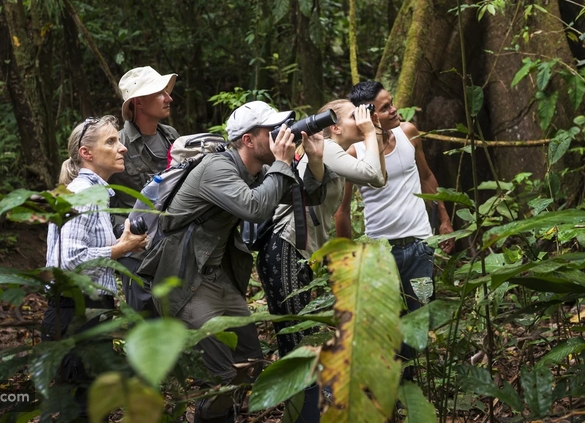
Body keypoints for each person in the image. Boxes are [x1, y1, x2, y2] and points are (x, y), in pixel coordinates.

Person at [140, 101, 331, 423]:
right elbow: (255, 209)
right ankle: (206, 415)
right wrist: (284, 163)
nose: (278, 137)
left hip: (218, 279)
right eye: (270, 132)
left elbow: (310, 196)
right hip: (185, 279)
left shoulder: (256, 172)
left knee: (250, 362)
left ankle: (215, 414)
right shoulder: (216, 168)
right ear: (247, 140)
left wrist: (314, 158)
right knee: (223, 375)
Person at [256, 99, 387, 423]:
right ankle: (306, 415)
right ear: (334, 126)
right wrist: (370, 129)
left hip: (301, 252)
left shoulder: (333, 153)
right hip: (285, 246)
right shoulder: (328, 148)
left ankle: (301, 414)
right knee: (297, 339)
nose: (363, 118)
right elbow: (374, 175)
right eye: (354, 114)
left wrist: (373, 131)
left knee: (301, 338)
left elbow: (377, 172)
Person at [334, 81, 454, 369]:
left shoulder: (409, 133)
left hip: (420, 246)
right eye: (385, 107)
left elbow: (427, 177)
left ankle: (413, 378)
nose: (394, 109)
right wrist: (349, 256)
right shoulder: (355, 153)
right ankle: (392, 380)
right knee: (385, 321)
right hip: (379, 252)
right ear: (369, 116)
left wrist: (445, 218)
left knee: (419, 317)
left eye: (392, 103)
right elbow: (342, 210)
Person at [42, 116, 148, 418]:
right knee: (77, 410)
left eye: (119, 140)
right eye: (111, 142)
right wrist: (121, 248)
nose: (123, 148)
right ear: (87, 153)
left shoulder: (95, 194)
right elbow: (68, 261)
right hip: (74, 316)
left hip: (88, 313)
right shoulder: (82, 195)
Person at [109, 66, 179, 314]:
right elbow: (103, 199)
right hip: (138, 253)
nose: (169, 98)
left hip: (173, 246)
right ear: (139, 102)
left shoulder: (172, 137)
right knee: (146, 317)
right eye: (160, 93)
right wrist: (124, 232)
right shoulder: (117, 144)